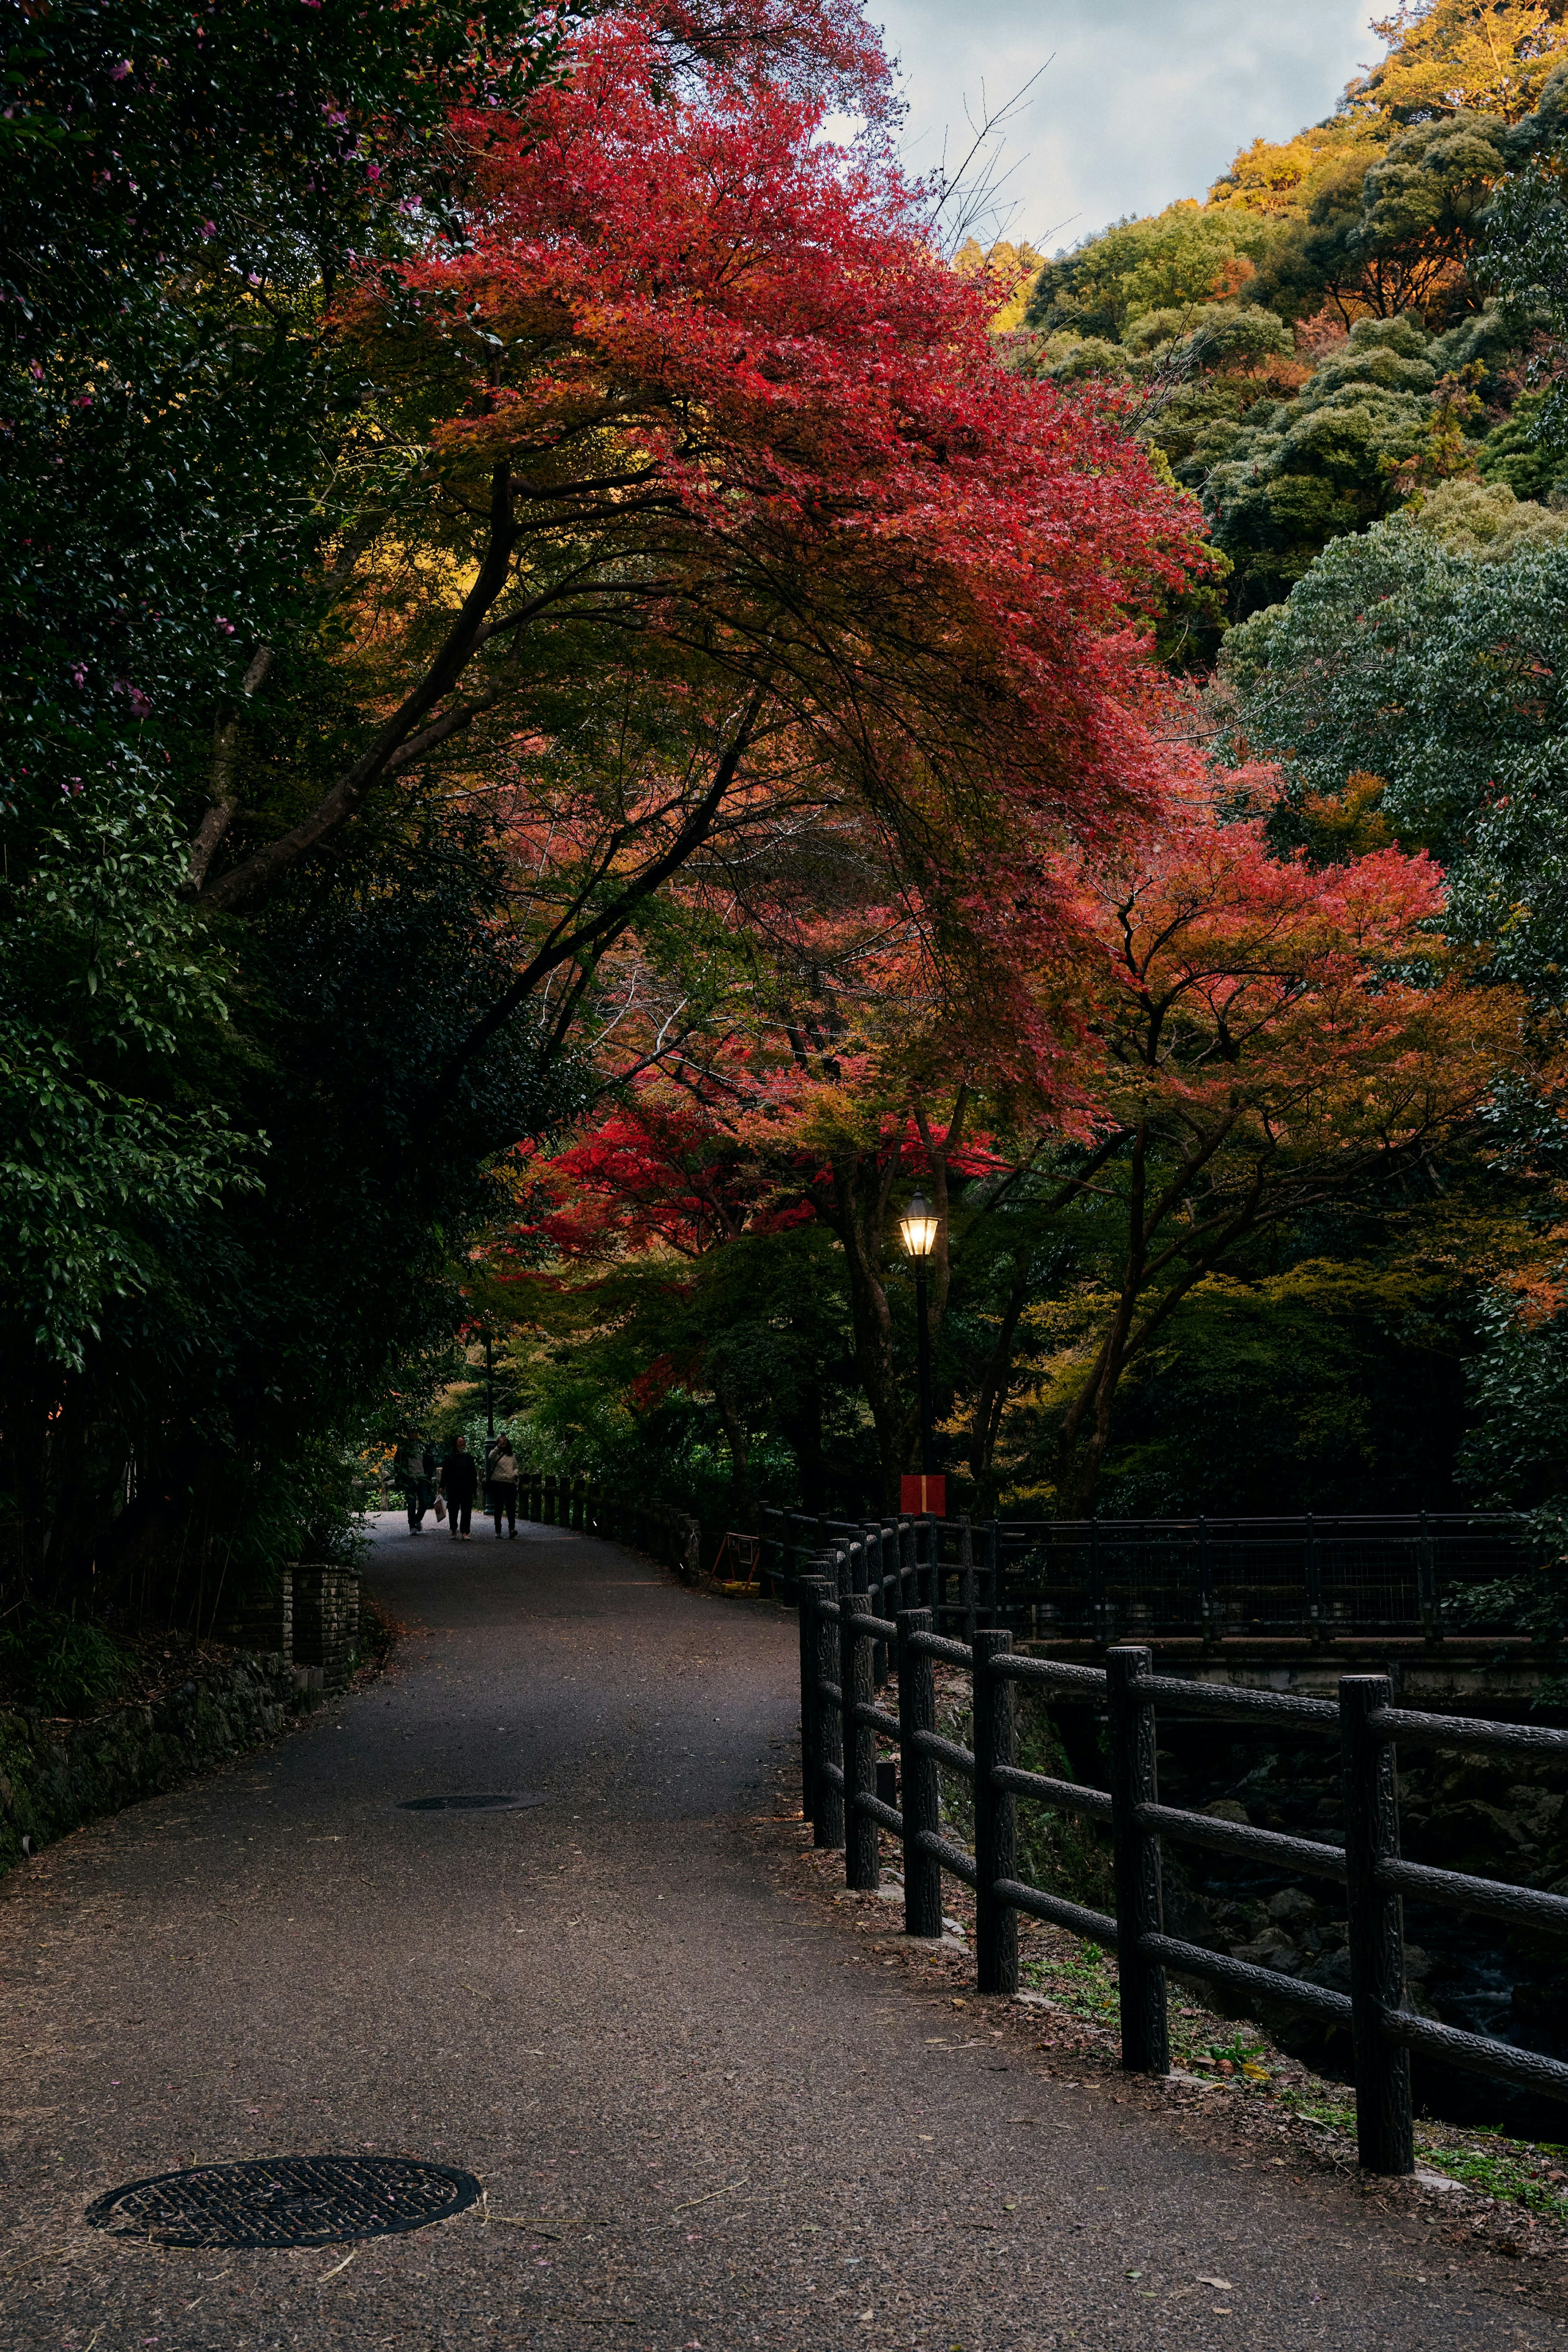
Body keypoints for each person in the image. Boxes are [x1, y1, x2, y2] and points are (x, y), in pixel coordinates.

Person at [440, 1434, 478, 1541]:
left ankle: (465, 1532)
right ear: (455, 1444)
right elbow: (445, 1473)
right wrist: (442, 1486)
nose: (462, 1444)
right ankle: (453, 1529)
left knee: (467, 1511)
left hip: (467, 1488)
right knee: (453, 1510)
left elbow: (473, 1474)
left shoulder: (469, 1458)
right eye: (460, 1442)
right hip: (453, 1488)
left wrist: (474, 1487)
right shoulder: (450, 1458)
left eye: (463, 1442)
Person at [394, 1434, 435, 1533]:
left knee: (425, 1503)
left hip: (422, 1478)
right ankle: (412, 1526)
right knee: (411, 1503)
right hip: (409, 1478)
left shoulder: (423, 1447)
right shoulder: (403, 1448)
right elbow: (397, 1462)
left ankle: (417, 1520)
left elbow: (430, 1462)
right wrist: (402, 1476)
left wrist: (428, 1475)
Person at [486, 1433, 519, 1539]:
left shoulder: (512, 1455)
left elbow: (516, 1467)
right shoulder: (496, 1453)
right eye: (501, 1441)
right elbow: (490, 1457)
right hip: (498, 1482)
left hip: (510, 1483)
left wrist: (515, 1474)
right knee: (499, 1508)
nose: (503, 1442)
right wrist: (498, 1447)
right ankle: (498, 1530)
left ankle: (512, 1529)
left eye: (505, 1441)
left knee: (511, 1508)